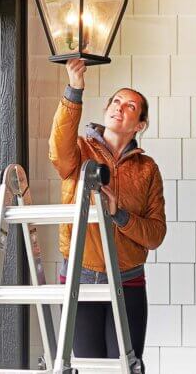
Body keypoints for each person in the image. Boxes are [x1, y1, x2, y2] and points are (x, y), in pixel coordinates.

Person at [49, 59, 166, 372]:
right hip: (79, 279)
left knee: (125, 367)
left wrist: (118, 214)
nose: (120, 107)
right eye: (116, 101)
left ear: (139, 125)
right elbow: (56, 151)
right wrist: (74, 89)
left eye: (130, 106)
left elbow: (155, 235)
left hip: (128, 284)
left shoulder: (148, 169)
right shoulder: (78, 151)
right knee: (87, 367)